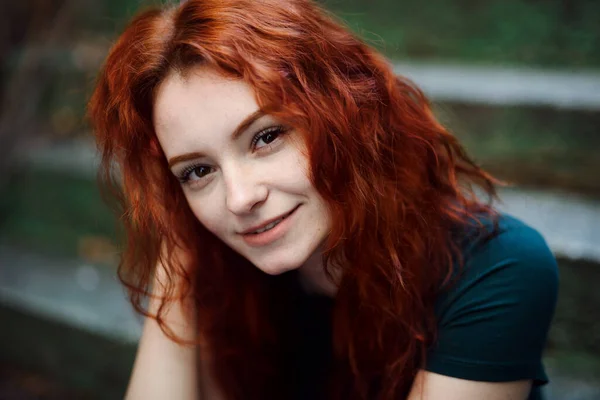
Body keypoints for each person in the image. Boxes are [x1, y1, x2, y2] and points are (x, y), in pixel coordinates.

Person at [87, 0, 559, 399]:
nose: (239, 198)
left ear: (346, 116)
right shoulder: (224, 277)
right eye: (198, 171)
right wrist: (176, 233)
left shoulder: (498, 269)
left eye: (266, 137)